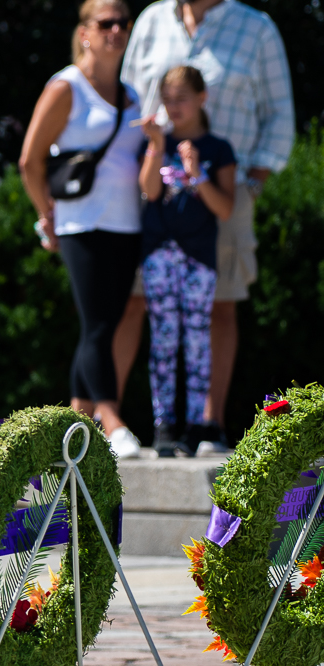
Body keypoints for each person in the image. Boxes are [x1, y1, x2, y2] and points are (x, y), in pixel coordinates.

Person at [116, 0, 294, 454]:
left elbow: (280, 115)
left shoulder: (256, 27)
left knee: (222, 307)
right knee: (134, 305)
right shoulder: (153, 20)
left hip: (226, 197)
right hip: (153, 198)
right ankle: (111, 423)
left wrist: (252, 184)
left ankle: (208, 427)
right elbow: (129, 101)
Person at [20, 0, 143, 458]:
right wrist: (45, 214)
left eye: (122, 23)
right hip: (80, 224)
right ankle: (110, 419)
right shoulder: (66, 86)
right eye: (105, 22)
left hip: (126, 223)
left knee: (107, 323)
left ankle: (76, 420)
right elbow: (30, 160)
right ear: (85, 32)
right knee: (97, 324)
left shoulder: (131, 94)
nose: (116, 30)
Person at [138, 66, 236, 457]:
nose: (174, 107)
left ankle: (199, 425)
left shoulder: (218, 149)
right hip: (159, 252)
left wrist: (195, 175)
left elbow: (225, 209)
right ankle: (164, 425)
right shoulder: (158, 142)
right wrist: (155, 146)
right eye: (168, 100)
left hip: (199, 257)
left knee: (197, 340)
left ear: (201, 98)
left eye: (181, 98)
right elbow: (148, 190)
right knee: (163, 338)